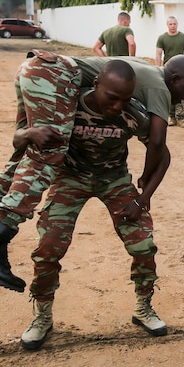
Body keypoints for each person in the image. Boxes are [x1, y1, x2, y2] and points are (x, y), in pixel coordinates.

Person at [0, 52, 184, 293]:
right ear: (174, 78)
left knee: (29, 154)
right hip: (55, 73)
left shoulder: (140, 69)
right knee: (48, 154)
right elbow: (158, 141)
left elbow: (19, 142)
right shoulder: (159, 86)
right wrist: (145, 180)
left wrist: (27, 134)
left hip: (33, 67)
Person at [18, 60, 168, 350]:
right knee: (48, 246)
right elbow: (18, 138)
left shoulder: (133, 114)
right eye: (112, 98)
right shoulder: (68, 107)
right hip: (70, 178)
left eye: (125, 99)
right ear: (96, 84)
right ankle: (43, 315)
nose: (116, 106)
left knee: (143, 243)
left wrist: (142, 198)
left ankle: (143, 307)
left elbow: (162, 153)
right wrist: (27, 135)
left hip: (113, 179)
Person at [155, 16, 184, 128]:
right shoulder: (162, 38)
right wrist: (158, 68)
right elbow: (158, 53)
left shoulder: (183, 37)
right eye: (170, 24)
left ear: (177, 24)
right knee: (170, 94)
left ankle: (180, 118)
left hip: (182, 70)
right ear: (167, 25)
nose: (173, 26)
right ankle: (172, 117)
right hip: (168, 70)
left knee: (182, 93)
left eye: (174, 24)